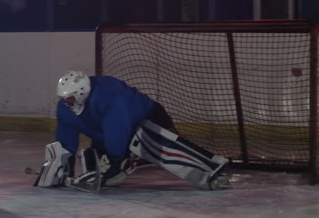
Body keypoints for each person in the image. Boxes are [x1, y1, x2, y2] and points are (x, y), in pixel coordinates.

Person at [35, 70, 230, 190]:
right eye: (63, 99)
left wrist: (116, 157)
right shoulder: (65, 108)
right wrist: (57, 168)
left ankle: (209, 168)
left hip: (148, 117)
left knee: (150, 143)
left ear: (81, 93)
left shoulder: (110, 96)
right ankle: (127, 159)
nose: (65, 103)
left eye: (69, 99)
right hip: (108, 132)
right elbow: (66, 139)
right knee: (97, 164)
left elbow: (117, 127)